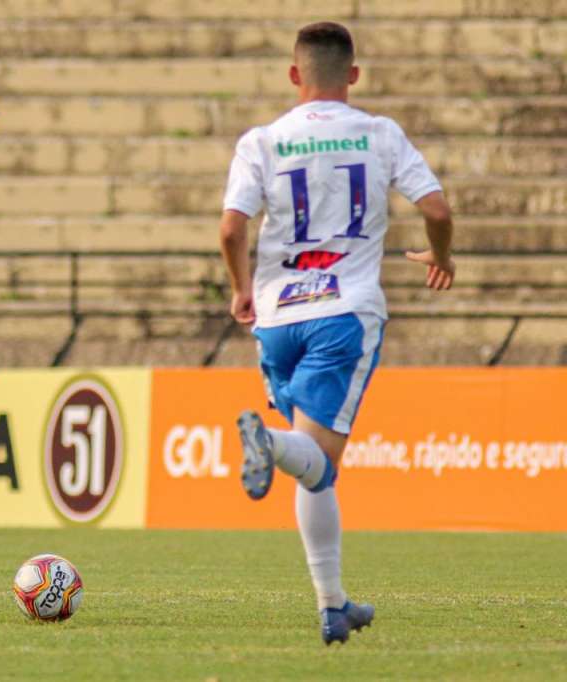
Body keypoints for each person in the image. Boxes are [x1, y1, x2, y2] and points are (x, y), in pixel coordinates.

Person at [219, 23, 454, 645]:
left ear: (295, 75)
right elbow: (437, 210)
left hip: (276, 319)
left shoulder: (262, 141)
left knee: (317, 469)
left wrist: (242, 287)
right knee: (315, 457)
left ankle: (333, 605)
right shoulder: (378, 134)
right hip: (344, 314)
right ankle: (266, 441)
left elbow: (230, 229)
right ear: (353, 74)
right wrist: (441, 257)